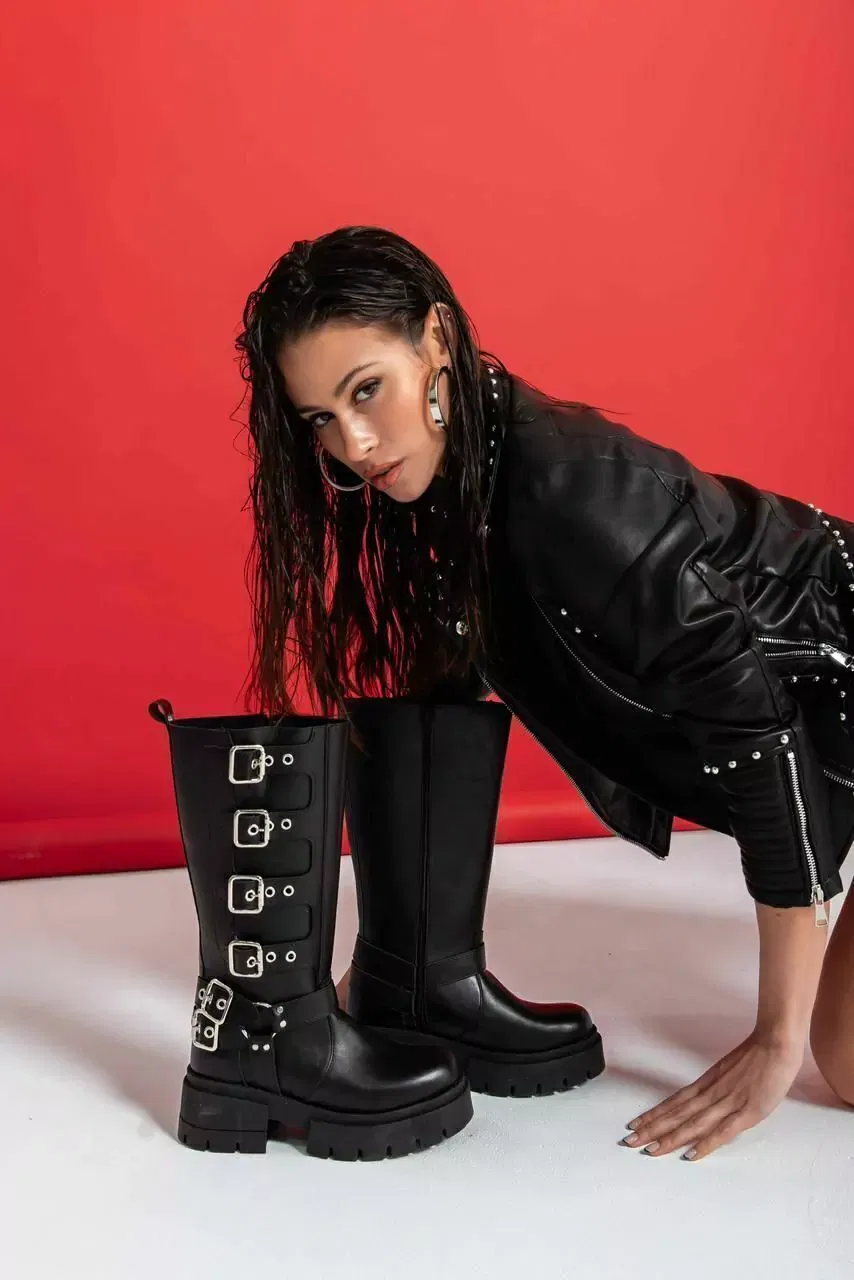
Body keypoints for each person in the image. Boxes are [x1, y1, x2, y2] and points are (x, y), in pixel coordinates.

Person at [155, 223, 854, 1162]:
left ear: (435, 340)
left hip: (825, 721)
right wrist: (405, 973)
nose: (353, 443)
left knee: (845, 1062)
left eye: (366, 390)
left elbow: (762, 747)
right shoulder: (456, 483)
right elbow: (446, 688)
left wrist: (775, 1041)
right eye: (319, 417)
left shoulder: (583, 501)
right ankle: (414, 985)